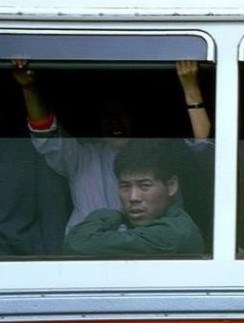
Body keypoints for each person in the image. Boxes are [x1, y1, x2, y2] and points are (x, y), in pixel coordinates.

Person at [11, 59, 211, 234]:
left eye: (120, 114)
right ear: (97, 122)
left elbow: (205, 150)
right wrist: (28, 88)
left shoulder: (162, 155)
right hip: (87, 264)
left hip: (153, 259)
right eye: (107, 116)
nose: (114, 122)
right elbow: (46, 136)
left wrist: (190, 88)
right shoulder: (82, 158)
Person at [63, 139, 205, 255]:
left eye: (145, 186)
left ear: (171, 186)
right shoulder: (134, 225)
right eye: (125, 186)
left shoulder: (175, 233)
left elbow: (77, 242)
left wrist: (116, 214)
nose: (133, 197)